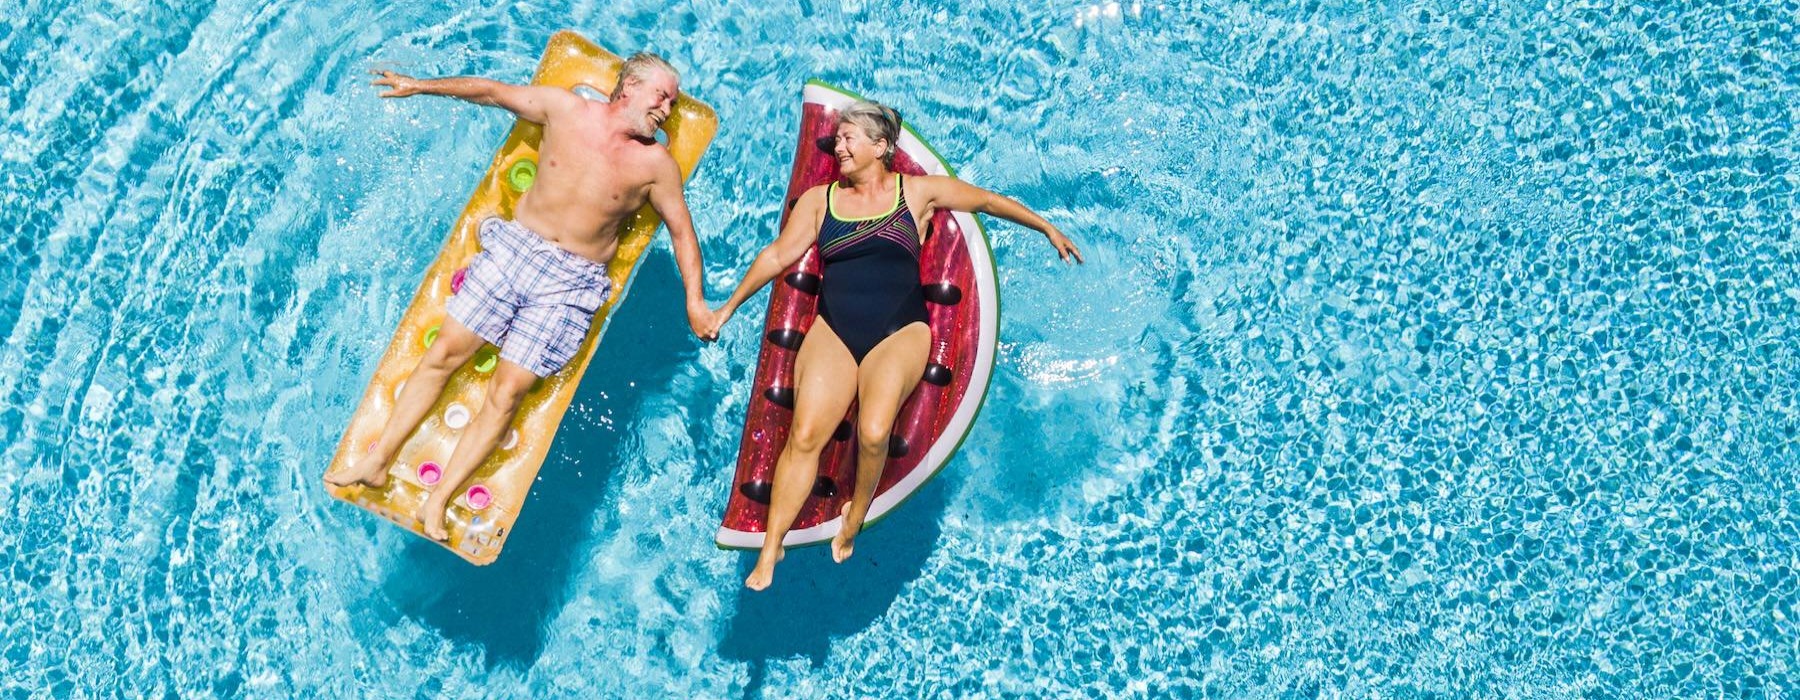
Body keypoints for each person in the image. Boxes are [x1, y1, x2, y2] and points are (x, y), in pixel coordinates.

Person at [326, 52, 716, 542]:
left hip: (571, 282)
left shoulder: (655, 165)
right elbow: (492, 92)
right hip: (516, 249)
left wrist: (694, 302)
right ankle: (377, 461)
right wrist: (419, 84)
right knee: (444, 352)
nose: (667, 108)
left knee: (507, 391)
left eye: (673, 102)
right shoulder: (565, 109)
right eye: (661, 94)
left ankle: (439, 498)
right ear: (629, 86)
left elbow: (682, 233)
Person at [706, 100, 1083, 590]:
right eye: (837, 139)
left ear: (880, 147)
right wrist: (727, 307)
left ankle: (856, 511)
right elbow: (779, 254)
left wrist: (1046, 227)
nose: (838, 146)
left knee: (874, 431)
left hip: (900, 330)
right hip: (834, 328)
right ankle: (772, 546)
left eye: (848, 139)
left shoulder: (918, 193)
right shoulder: (821, 201)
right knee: (804, 435)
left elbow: (986, 201)